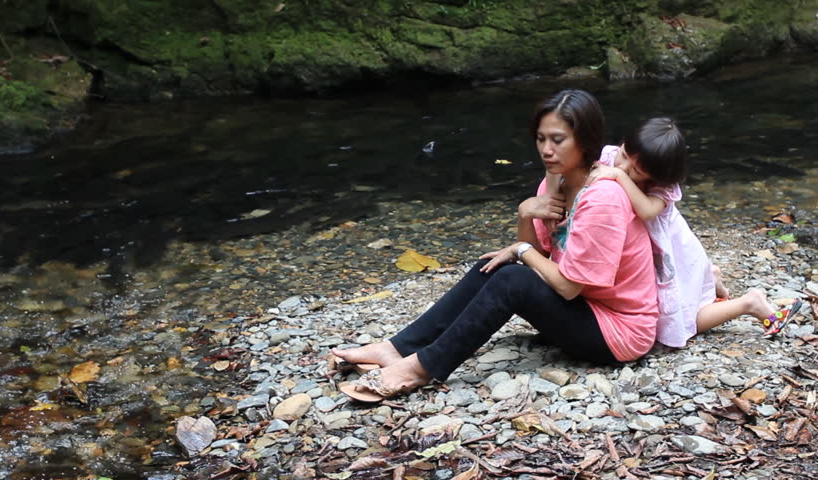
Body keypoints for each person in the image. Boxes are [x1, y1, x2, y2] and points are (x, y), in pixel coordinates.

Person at [333, 89, 659, 402]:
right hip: (586, 309)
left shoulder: (604, 198)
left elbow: (569, 287)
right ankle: (398, 348)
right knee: (493, 267)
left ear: (586, 140)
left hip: (619, 332)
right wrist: (524, 216)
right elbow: (544, 256)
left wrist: (520, 250)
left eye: (557, 140)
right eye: (541, 138)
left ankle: (422, 368)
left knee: (511, 277)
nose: (546, 149)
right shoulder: (555, 182)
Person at [544, 117, 801, 348]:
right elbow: (562, 166)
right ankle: (711, 278)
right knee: (688, 288)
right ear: (623, 143)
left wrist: (618, 177)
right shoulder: (612, 156)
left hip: (669, 251)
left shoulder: (662, 187)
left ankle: (749, 303)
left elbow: (646, 211)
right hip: (645, 250)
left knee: (681, 320)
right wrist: (552, 199)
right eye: (624, 156)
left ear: (657, 176)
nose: (624, 167)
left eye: (636, 172)